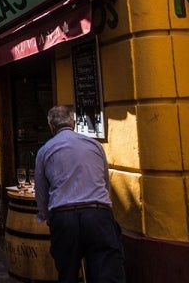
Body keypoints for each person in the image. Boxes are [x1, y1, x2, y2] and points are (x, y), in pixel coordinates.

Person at [34, 105, 126, 283]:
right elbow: (105, 181)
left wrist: (47, 216)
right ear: (74, 123)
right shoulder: (94, 144)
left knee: (67, 273)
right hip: (98, 213)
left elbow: (41, 191)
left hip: (64, 216)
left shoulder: (45, 150)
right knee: (106, 273)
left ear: (51, 127)